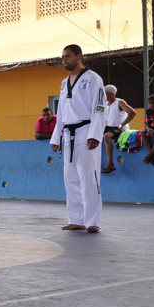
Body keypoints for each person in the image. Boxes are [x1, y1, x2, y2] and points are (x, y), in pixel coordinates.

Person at [50, 44, 105, 233]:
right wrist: (56, 137)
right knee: (70, 177)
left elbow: (99, 107)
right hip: (68, 134)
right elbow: (61, 111)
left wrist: (95, 134)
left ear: (79, 57)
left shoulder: (93, 79)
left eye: (68, 56)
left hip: (86, 130)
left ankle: (92, 221)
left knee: (88, 176)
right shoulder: (64, 82)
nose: (64, 60)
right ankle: (76, 219)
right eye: (63, 57)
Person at [100, 84, 136, 173]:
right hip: (110, 127)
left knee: (107, 136)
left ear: (109, 93)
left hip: (120, 128)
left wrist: (122, 125)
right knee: (93, 135)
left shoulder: (119, 102)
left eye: (104, 93)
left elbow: (132, 113)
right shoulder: (105, 105)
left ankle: (110, 163)